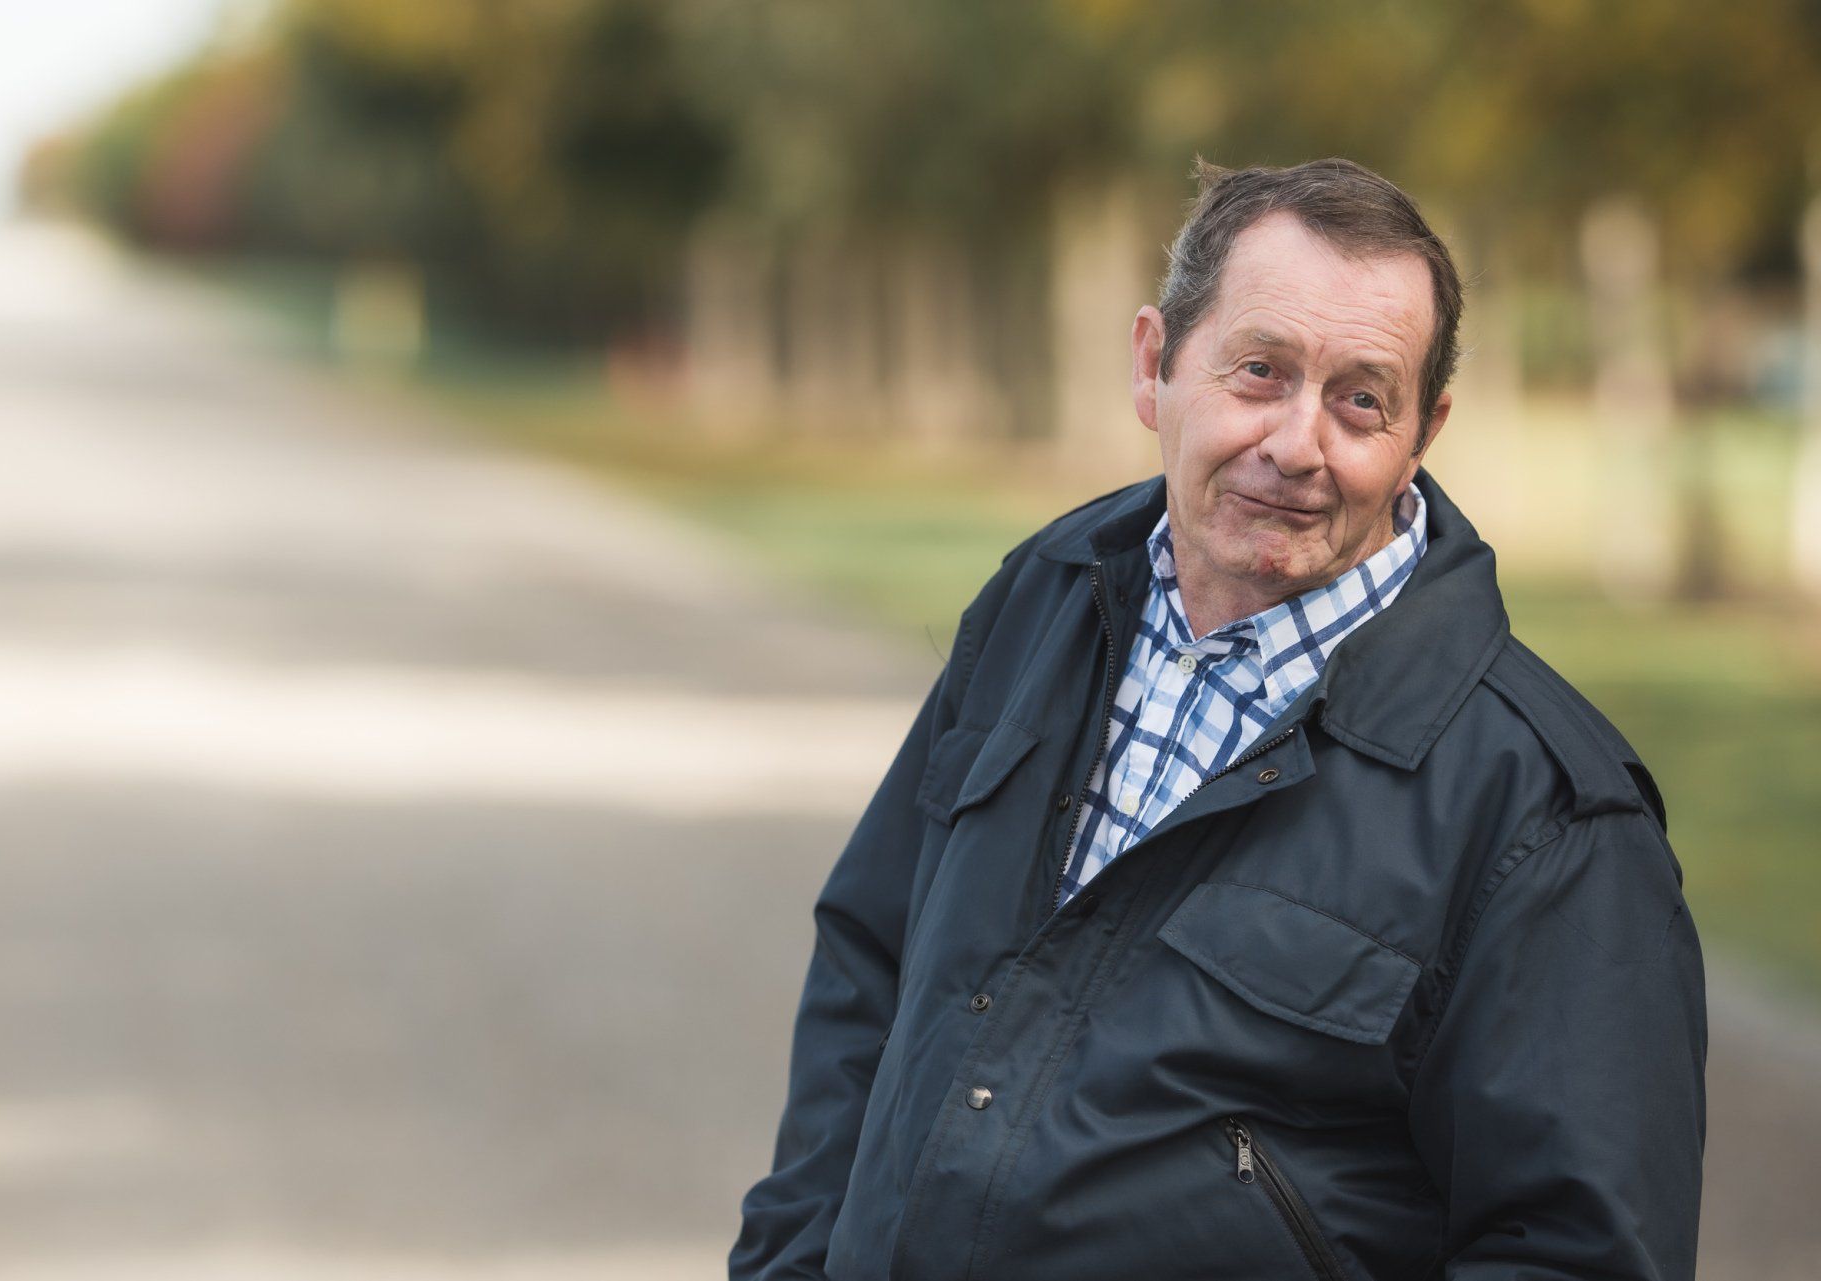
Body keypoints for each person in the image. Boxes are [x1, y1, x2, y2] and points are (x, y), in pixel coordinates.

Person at [728, 157, 1708, 1281]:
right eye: (1261, 372)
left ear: (1422, 434)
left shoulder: (1548, 816)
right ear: (1156, 366)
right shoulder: (1042, 598)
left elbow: (1578, 1255)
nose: (1297, 444)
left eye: (1360, 400)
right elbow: (874, 963)